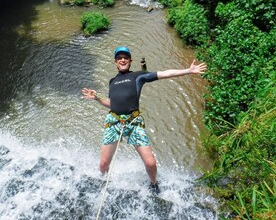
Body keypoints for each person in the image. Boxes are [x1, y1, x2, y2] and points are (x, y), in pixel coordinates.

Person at [82, 46, 207, 194]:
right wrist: (97, 98)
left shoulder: (138, 76)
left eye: (125, 57)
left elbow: (164, 74)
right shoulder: (112, 81)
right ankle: (104, 182)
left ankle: (154, 184)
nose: (122, 60)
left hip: (133, 122)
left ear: (130, 61)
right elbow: (112, 103)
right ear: (115, 62)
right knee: (103, 164)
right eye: (119, 58)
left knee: (150, 162)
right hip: (114, 122)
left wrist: (188, 70)